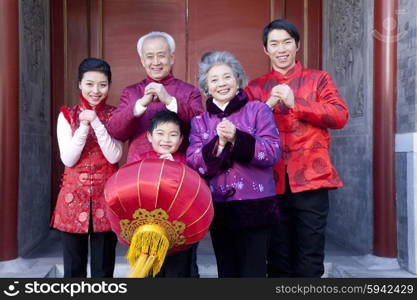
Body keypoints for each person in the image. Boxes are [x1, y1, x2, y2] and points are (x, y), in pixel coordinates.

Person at [244, 19, 349, 277]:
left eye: (287, 42)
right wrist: (266, 105)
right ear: (266, 50)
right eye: (274, 44)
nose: (281, 49)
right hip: (270, 182)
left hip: (312, 181)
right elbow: (245, 130)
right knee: (277, 258)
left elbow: (339, 116)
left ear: (297, 45)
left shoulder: (319, 79)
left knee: (310, 258)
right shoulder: (255, 88)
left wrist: (297, 103)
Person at [107, 31, 204, 277]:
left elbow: (202, 127)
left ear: (172, 58)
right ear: (142, 60)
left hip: (178, 188)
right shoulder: (131, 93)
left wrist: (170, 101)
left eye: (161, 55)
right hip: (140, 189)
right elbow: (116, 129)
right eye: (149, 56)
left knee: (181, 262)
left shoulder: (188, 92)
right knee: (146, 263)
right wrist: (140, 104)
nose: (156, 61)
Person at [187, 51, 281, 277]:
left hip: (256, 207)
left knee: (254, 272)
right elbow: (194, 162)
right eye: (214, 79)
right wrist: (218, 144)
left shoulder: (258, 110)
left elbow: (272, 152)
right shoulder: (199, 122)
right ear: (206, 87)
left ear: (238, 80)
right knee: (227, 271)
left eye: (227, 77)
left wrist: (237, 138)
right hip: (220, 207)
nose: (221, 84)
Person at [51, 58, 123, 277]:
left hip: (106, 198)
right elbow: (69, 159)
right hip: (73, 200)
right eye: (90, 83)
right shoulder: (66, 115)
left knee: (104, 269)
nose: (96, 90)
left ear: (109, 85)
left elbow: (115, 155)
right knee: (73, 269)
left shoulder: (116, 115)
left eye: (102, 84)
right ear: (79, 84)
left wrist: (97, 123)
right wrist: (83, 126)